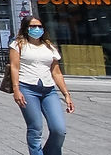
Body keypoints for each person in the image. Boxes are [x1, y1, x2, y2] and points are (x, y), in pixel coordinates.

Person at [9, 16, 74, 155]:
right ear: (26, 28)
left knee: (59, 130)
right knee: (35, 128)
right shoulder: (18, 45)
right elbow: (14, 67)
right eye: (33, 26)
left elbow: (56, 73)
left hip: (49, 90)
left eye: (39, 26)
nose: (36, 29)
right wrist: (16, 89)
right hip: (27, 88)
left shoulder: (49, 47)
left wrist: (66, 94)